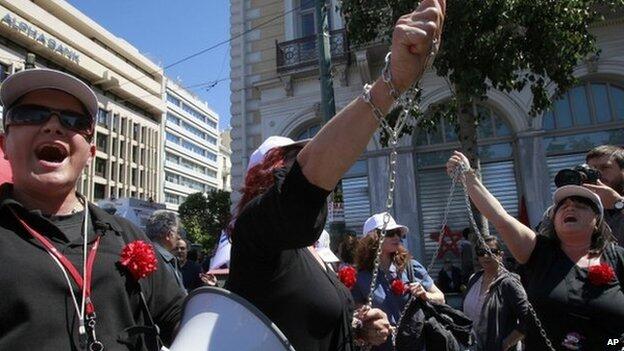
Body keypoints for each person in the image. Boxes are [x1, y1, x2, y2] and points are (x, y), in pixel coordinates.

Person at [225, 2, 445, 349]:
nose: (310, 161)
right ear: (267, 173)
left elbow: (304, 320)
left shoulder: (312, 252)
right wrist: (391, 83)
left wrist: (357, 327)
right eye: (295, 158)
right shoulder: (255, 235)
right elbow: (302, 187)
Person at [0, 68, 185, 350]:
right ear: (4, 144)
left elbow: (181, 318)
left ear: (91, 154)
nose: (53, 126)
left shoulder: (127, 234)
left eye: (74, 121)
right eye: (31, 114)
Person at [447, 151, 624, 350]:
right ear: (553, 220)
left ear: (597, 221)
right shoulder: (538, 252)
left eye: (581, 205)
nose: (570, 207)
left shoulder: (617, 257)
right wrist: (469, 176)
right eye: (562, 205)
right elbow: (500, 217)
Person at [351, 212, 445, 351]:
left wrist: (425, 295)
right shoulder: (360, 278)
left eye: (398, 233)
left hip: (416, 344)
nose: (396, 237)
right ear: (373, 237)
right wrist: (364, 315)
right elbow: (356, 314)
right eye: (390, 233)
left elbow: (441, 298)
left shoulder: (410, 267)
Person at [463, 236, 530, 351]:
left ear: (501, 255)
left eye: (491, 251)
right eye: (481, 252)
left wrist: (506, 343)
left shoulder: (509, 282)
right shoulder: (474, 279)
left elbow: (529, 319)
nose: (486, 256)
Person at [585, 145, 624, 244]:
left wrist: (618, 203)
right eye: (592, 170)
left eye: (605, 167)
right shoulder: (587, 204)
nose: (598, 174)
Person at [146, 210, 186, 291]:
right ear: (168, 235)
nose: (179, 237)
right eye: (177, 232)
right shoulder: (165, 261)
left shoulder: (141, 256)